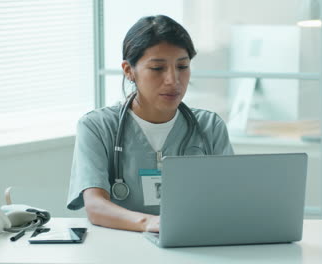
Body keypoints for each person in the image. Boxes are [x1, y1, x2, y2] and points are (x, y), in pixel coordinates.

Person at [66, 15, 234, 232]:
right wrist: (151, 223)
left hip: (193, 245)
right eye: (157, 68)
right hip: (120, 248)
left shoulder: (210, 126)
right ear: (129, 70)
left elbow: (231, 198)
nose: (173, 80)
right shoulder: (97, 127)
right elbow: (96, 206)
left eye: (182, 66)